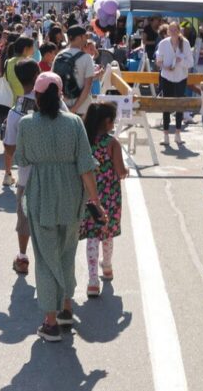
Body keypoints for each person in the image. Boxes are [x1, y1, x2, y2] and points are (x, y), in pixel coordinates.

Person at [13, 72, 105, 343]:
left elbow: (23, 158)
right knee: (67, 253)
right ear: (61, 94)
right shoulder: (75, 123)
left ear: (37, 98)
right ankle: (66, 307)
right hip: (71, 196)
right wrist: (96, 202)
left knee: (45, 258)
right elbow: (86, 167)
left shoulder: (27, 125)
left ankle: (51, 322)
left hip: (41, 195)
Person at [79, 102, 128, 298]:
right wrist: (127, 172)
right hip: (110, 196)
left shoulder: (84, 141)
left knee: (92, 234)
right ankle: (107, 267)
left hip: (90, 195)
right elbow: (121, 171)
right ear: (107, 121)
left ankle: (92, 281)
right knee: (106, 233)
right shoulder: (112, 143)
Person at [4, 59, 42, 266]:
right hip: (54, 175)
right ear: (38, 75)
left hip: (27, 177)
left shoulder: (15, 112)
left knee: (25, 218)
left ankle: (23, 256)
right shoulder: (55, 104)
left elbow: (9, 147)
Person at [155, 20, 193, 146]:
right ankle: (165, 135)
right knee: (166, 104)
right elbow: (158, 61)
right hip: (166, 77)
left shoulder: (185, 43)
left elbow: (190, 63)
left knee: (179, 105)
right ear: (167, 32)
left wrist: (180, 61)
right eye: (170, 30)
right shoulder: (163, 43)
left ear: (179, 30)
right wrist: (165, 67)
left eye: (175, 30)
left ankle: (178, 134)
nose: (173, 32)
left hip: (181, 77)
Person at [55, 25, 95, 117]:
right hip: (82, 107)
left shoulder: (59, 55)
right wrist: (74, 109)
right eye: (85, 36)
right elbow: (88, 86)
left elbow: (55, 81)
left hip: (62, 106)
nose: (86, 39)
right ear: (80, 37)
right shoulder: (86, 58)